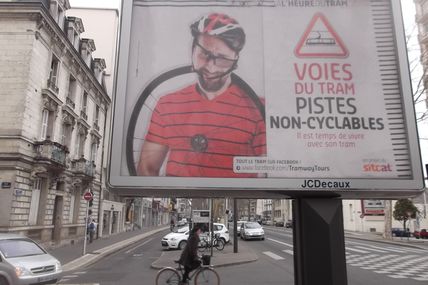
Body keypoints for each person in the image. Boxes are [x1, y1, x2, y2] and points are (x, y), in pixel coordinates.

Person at [137, 13, 266, 177]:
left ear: (236, 60)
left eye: (222, 59)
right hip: (180, 202)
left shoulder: (257, 108)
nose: (211, 68)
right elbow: (147, 168)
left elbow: (268, 173)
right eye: (204, 54)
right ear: (192, 50)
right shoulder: (167, 105)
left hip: (235, 202)